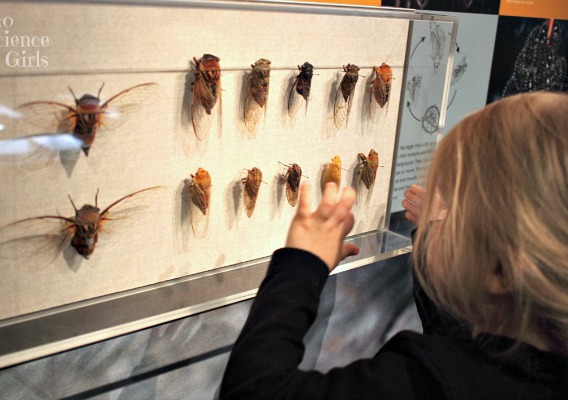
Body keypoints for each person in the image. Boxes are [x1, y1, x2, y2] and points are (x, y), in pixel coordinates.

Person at [219, 92, 568, 399]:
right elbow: (468, 341)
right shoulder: (528, 361)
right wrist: (435, 232)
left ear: (503, 271)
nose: (440, 211)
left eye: (456, 209)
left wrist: (302, 261)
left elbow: (254, 391)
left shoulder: (428, 383)